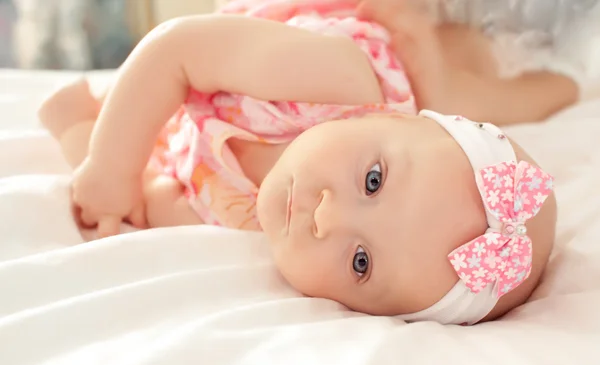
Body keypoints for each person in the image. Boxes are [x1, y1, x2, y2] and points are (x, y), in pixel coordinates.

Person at [37, 0, 561, 324]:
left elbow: (134, 210)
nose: (326, 218)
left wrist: (80, 137)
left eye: (361, 262)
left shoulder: (244, 221)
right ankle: (546, 82)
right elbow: (176, 50)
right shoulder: (334, 80)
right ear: (398, 121)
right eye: (373, 181)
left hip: (201, 123)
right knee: (466, 63)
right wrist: (111, 163)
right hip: (275, 50)